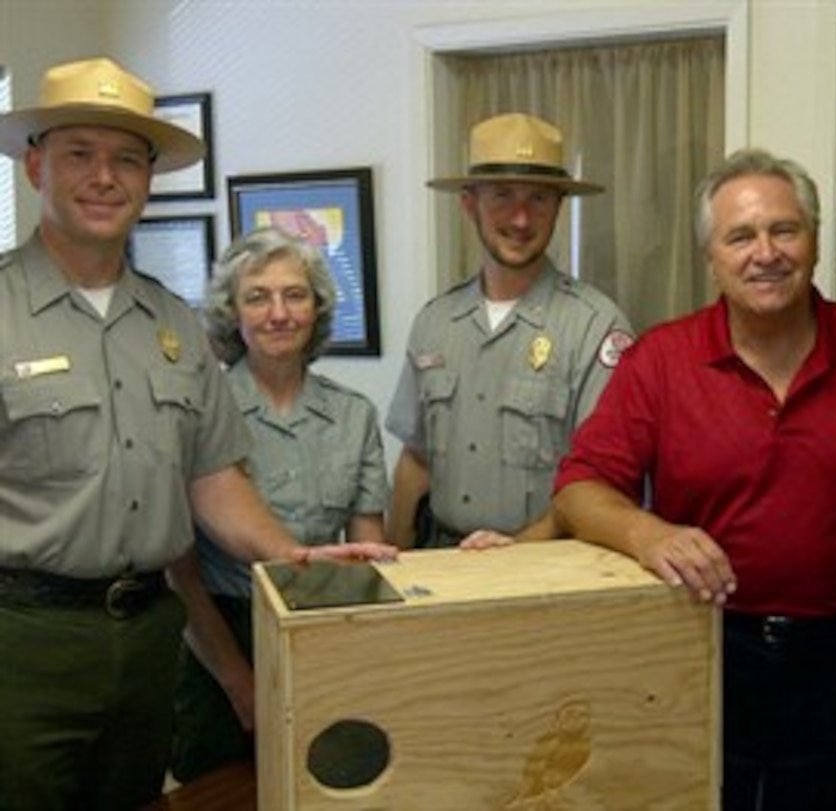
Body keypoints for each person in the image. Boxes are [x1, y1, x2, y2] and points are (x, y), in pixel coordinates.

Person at [0, 57, 395, 810]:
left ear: (148, 179)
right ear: (34, 166)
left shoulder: (174, 325)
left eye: (126, 158)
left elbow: (213, 479)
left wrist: (291, 552)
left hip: (147, 638)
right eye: (79, 153)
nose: (104, 176)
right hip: (24, 640)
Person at [551, 147, 836, 810]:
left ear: (814, 241)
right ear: (711, 256)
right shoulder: (660, 360)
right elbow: (580, 486)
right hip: (704, 642)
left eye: (784, 229)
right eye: (741, 236)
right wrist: (647, 532)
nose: (766, 252)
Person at [169, 226, 391, 783]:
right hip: (219, 641)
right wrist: (240, 682)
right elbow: (182, 574)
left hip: (323, 635)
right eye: (257, 297)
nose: (278, 313)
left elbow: (370, 556)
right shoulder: (196, 413)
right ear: (231, 313)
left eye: (295, 295)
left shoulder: (354, 415)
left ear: (317, 308)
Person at [385, 112, 633, 548]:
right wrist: (391, 571)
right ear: (469, 203)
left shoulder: (595, 327)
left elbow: (600, 483)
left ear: (558, 207)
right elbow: (415, 462)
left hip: (545, 571)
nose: (520, 218)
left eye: (538, 198)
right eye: (502, 195)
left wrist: (513, 555)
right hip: (442, 563)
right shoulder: (435, 323)